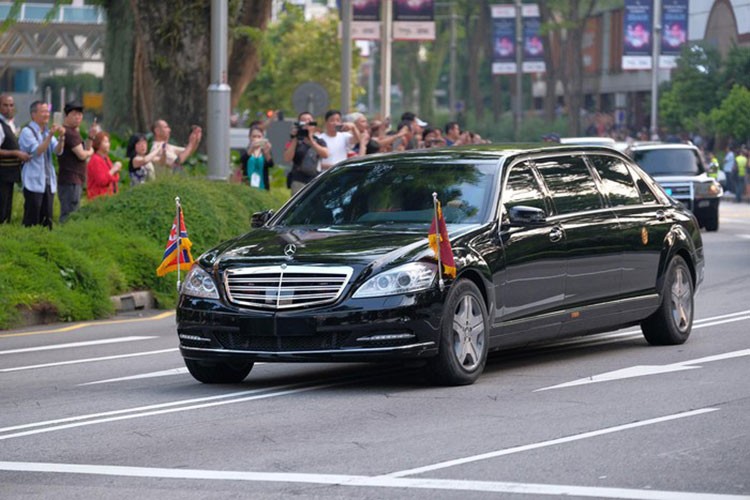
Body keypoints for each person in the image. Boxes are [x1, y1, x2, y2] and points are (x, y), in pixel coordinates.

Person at [18, 101, 64, 229]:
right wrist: (50, 136)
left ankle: (44, 246)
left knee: (47, 220)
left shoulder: (46, 131)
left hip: (48, 182)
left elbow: (58, 151)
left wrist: (61, 137)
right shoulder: (27, 132)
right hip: (33, 182)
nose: (47, 115)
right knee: (32, 220)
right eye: (43, 111)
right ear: (33, 114)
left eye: (47, 111)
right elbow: (37, 151)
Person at [57, 101, 95, 223]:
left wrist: (90, 138)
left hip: (75, 180)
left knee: (73, 213)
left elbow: (85, 150)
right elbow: (82, 154)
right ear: (67, 115)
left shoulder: (74, 132)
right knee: (69, 215)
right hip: (70, 180)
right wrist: (91, 152)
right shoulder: (68, 132)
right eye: (74, 114)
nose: (78, 117)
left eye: (80, 114)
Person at [0, 94, 31, 223]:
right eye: (5, 105)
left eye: (11, 105)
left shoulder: (11, 125)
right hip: (2, 173)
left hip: (10, 174)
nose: (9, 108)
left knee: (7, 209)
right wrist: (15, 153)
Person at [283, 111, 328, 195]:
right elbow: (287, 158)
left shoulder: (319, 141)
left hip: (314, 179)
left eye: (309, 120)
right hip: (298, 179)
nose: (307, 122)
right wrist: (295, 139)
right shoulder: (295, 140)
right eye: (304, 120)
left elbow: (325, 154)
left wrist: (311, 141)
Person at [87, 131, 121, 200]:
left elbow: (115, 178)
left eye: (108, 142)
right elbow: (102, 181)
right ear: (98, 144)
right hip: (99, 198)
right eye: (105, 142)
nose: (108, 144)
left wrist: (116, 170)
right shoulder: (95, 160)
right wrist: (113, 170)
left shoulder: (106, 159)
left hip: (110, 196)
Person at [239, 126, 274, 190]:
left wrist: (267, 152)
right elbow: (242, 161)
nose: (256, 139)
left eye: (259, 136)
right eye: (254, 136)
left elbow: (270, 164)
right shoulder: (246, 151)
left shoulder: (264, 151)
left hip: (262, 186)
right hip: (248, 186)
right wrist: (252, 148)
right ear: (250, 137)